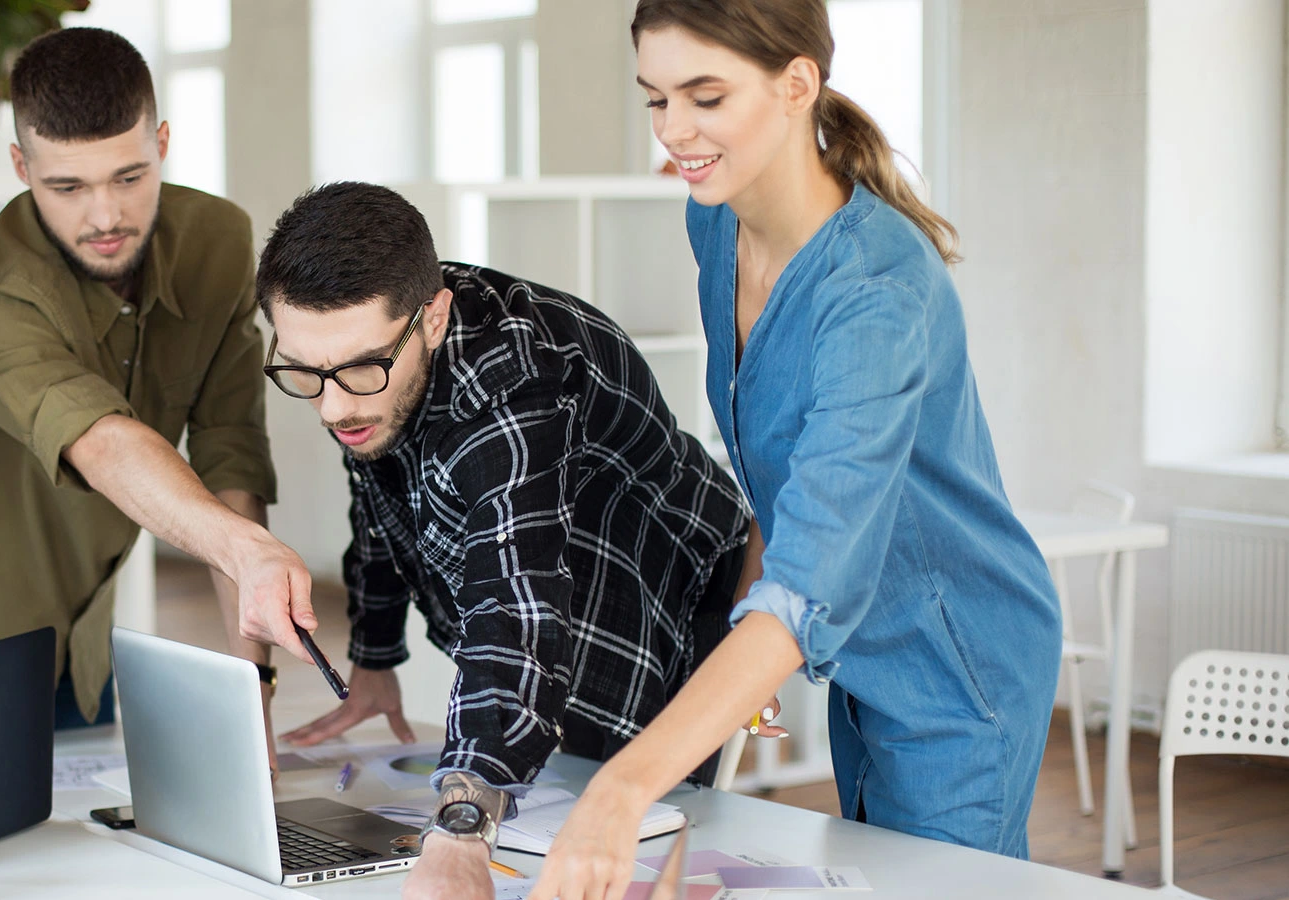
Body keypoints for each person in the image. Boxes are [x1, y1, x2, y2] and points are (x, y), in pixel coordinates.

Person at [528, 3, 1063, 898]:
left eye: (706, 96)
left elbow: (814, 577)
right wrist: (750, 630)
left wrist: (621, 790)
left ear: (797, 84)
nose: (675, 132)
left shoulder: (877, 291)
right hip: (860, 642)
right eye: (656, 99)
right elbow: (783, 474)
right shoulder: (716, 223)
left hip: (955, 661)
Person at [253, 182, 754, 900]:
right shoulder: (370, 356)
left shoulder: (515, 379)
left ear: (434, 318)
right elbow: (380, 490)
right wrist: (374, 657)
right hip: (547, 613)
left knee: (621, 863)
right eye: (304, 372)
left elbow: (513, 609)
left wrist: (459, 830)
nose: (333, 406)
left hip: (661, 607)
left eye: (360, 370)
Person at [0, 27, 310, 754]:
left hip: (77, 615)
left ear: (162, 142)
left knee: (79, 855)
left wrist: (254, 697)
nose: (105, 217)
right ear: (22, 166)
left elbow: (231, 454)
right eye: (68, 187)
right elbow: (101, 440)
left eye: (129, 176)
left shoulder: (218, 242)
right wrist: (249, 553)